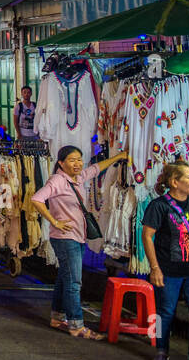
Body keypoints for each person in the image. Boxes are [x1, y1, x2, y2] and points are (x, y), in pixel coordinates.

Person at [30, 144, 129, 339]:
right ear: (61, 163)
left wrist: (118, 157)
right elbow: (37, 199)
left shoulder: (78, 177)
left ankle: (57, 317)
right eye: (72, 160)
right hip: (65, 238)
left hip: (77, 236)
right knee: (74, 282)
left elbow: (96, 169)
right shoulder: (58, 180)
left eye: (79, 159)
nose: (77, 163)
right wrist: (54, 221)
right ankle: (76, 324)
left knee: (64, 278)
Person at [140, 161, 189, 360]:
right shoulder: (158, 206)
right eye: (188, 177)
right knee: (163, 313)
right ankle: (160, 350)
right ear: (174, 182)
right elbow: (147, 236)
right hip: (168, 270)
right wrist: (155, 268)